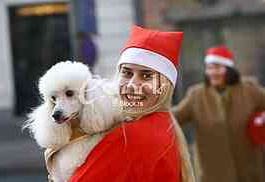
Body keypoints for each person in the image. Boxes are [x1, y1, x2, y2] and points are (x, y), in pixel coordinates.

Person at [68, 25, 195, 182]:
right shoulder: (165, 124)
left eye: (146, 76)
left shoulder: (130, 136)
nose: (132, 85)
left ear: (165, 86)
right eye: (127, 73)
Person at [172, 45, 265, 182]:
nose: (213, 72)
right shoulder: (196, 95)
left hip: (249, 172)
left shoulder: (250, 90)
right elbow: (174, 117)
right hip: (213, 174)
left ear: (229, 69)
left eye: (217, 67)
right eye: (209, 68)